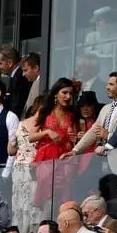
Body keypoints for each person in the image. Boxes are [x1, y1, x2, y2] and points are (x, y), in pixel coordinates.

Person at [31, 78, 77, 208]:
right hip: (47, 160)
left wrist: (74, 137)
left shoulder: (71, 115)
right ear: (56, 94)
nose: (68, 96)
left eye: (71, 94)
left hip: (65, 160)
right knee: (47, 200)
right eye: (64, 92)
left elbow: (73, 140)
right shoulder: (45, 111)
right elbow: (30, 137)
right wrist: (47, 132)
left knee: (64, 199)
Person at [8, 95, 44, 233]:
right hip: (35, 168)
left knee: (20, 205)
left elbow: (10, 150)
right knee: (34, 204)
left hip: (19, 168)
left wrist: (22, 150)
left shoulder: (21, 124)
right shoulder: (45, 125)